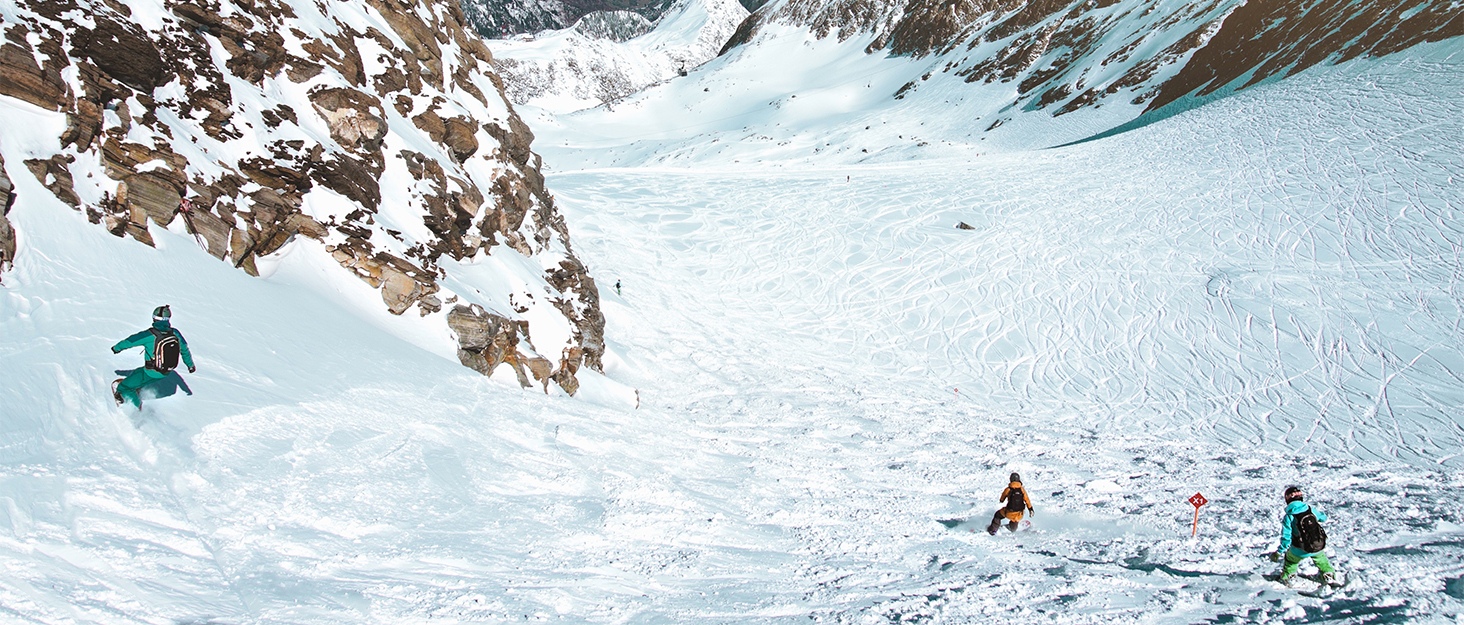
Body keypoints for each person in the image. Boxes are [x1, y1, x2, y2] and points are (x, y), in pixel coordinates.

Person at [111, 305, 195, 407]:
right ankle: (137, 386)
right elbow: (184, 350)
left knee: (124, 387)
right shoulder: (175, 333)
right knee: (138, 372)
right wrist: (190, 366)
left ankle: (135, 410)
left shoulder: (150, 334)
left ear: (155, 318)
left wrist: (116, 348)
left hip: (151, 372)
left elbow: (130, 341)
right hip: (166, 371)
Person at [1270, 485, 1342, 587]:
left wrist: (1279, 552)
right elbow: (1323, 518)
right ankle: (1328, 575)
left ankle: (1289, 577)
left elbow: (1286, 538)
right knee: (1321, 559)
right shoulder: (1309, 509)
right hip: (1316, 545)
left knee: (1290, 560)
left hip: (1299, 548)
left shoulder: (1289, 516)